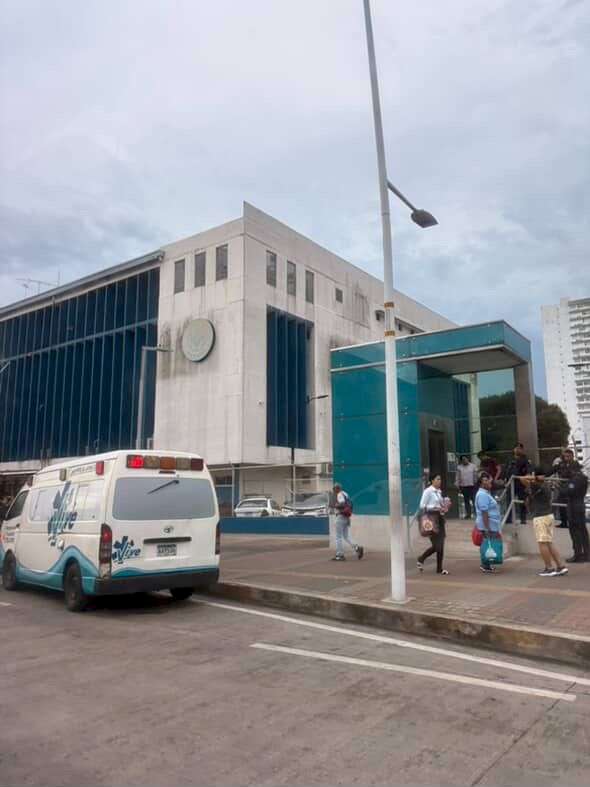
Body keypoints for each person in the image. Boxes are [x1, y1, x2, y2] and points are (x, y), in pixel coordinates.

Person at [520, 467, 568, 577]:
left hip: (540, 517)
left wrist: (534, 477)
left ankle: (549, 568)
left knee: (542, 543)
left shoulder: (538, 485)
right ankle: (560, 566)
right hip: (549, 515)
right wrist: (537, 477)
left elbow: (522, 479)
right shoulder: (545, 484)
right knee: (549, 542)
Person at [417, 474, 449, 575]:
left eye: (440, 479)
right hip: (431, 519)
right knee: (437, 545)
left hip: (439, 518)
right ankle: (421, 558)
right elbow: (422, 505)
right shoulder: (428, 491)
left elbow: (440, 505)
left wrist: (444, 506)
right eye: (438, 479)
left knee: (441, 544)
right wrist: (434, 508)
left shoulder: (438, 492)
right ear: (432, 480)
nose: (440, 481)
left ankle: (439, 568)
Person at [475, 473, 503, 573]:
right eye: (486, 480)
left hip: (491, 523)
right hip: (488, 524)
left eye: (489, 479)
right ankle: (485, 564)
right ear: (481, 483)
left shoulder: (486, 493)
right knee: (487, 542)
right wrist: (487, 527)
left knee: (489, 542)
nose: (489, 482)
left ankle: (487, 564)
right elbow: (484, 512)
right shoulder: (482, 494)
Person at [331, 484, 363, 562]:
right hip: (346, 517)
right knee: (346, 536)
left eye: (334, 489)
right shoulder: (345, 493)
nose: (334, 491)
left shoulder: (339, 494)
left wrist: (335, 505)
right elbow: (348, 505)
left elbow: (342, 503)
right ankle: (357, 547)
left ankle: (340, 555)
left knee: (338, 537)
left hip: (340, 517)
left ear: (336, 489)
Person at [565, 468, 589, 563]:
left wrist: (560, 487)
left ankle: (578, 555)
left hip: (574, 508)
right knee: (583, 532)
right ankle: (586, 554)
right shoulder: (583, 478)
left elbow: (568, 492)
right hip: (580, 506)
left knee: (575, 532)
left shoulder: (575, 479)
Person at [503, 444, 531, 524]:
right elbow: (506, 469)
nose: (518, 450)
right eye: (516, 448)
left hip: (520, 483)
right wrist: (504, 478)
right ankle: (509, 518)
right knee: (509, 501)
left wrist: (527, 477)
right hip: (510, 483)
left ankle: (523, 519)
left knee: (522, 501)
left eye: (520, 448)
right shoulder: (510, 459)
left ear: (522, 450)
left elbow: (529, 469)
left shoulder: (525, 459)